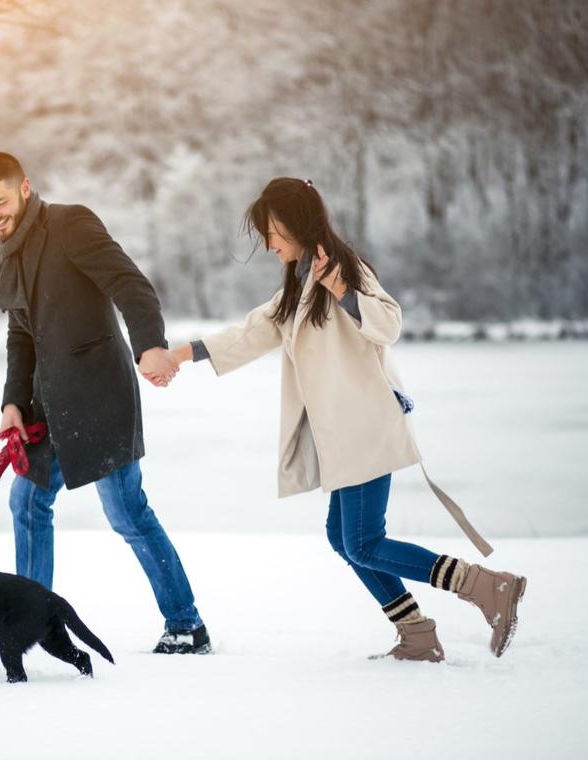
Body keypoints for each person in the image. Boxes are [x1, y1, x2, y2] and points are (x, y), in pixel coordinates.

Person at [163, 177, 526, 661]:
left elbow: (390, 323)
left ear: (294, 224)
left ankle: (482, 586)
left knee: (362, 541)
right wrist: (182, 354)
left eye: (272, 232)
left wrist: (346, 295)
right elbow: (257, 329)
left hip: (366, 426)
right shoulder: (300, 280)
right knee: (346, 539)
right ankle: (416, 634)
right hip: (344, 433)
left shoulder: (339, 266)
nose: (268, 243)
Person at [0, 151, 209, 654]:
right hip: (44, 404)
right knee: (27, 502)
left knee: (126, 511)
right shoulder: (5, 251)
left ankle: (186, 624)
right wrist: (13, 401)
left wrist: (149, 346)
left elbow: (131, 285)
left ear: (25, 188)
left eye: (0, 203)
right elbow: (21, 335)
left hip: (99, 397)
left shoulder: (70, 225)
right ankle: (27, 618)